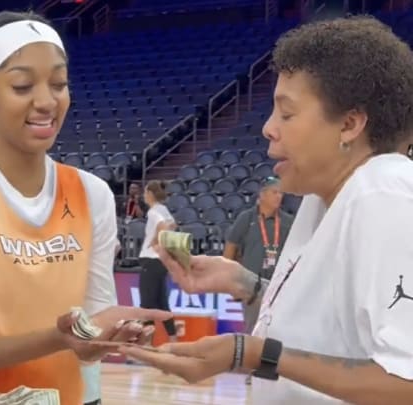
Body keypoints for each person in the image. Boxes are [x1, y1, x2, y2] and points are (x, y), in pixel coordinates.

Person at [116, 16, 413, 404]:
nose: (268, 128)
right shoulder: (325, 197)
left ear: (349, 124)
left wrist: (253, 353)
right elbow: (333, 332)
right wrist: (246, 284)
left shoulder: (385, 195)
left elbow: (403, 382)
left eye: (286, 114)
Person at [0, 11, 173, 405]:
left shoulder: (91, 193)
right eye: (23, 85)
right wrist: (56, 339)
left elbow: (93, 323)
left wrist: (107, 336)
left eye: (59, 84)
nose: (47, 101)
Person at [223, 176, 293, 334]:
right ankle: (251, 358)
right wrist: (228, 279)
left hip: (278, 283)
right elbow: (231, 245)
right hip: (252, 284)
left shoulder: (288, 221)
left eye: (281, 193)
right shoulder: (246, 218)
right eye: (275, 192)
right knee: (252, 327)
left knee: (277, 328)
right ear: (262, 194)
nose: (279, 196)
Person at [138, 180, 177, 341]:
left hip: (151, 260)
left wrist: (155, 241)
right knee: (161, 302)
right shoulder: (163, 209)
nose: (143, 195)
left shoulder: (154, 211)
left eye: (145, 192)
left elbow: (165, 227)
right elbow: (173, 225)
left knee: (147, 304)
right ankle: (173, 340)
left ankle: (147, 344)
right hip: (160, 262)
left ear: (150, 194)